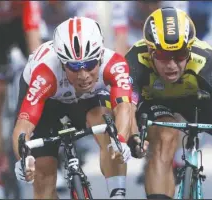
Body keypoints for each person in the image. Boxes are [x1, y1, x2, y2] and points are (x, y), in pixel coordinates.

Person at [125, 7, 212, 199]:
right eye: (162, 55)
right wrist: (134, 136)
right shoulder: (136, 58)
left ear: (190, 49)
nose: (171, 65)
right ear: (150, 50)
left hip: (196, 100)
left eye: (179, 56)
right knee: (165, 137)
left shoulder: (203, 57)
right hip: (155, 103)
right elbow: (127, 107)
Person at [12, 17, 140, 199]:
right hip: (49, 103)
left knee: (106, 122)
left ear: (100, 56)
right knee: (43, 176)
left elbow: (124, 107)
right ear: (62, 63)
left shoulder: (114, 64)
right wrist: (22, 160)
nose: (83, 75)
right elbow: (24, 124)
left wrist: (120, 140)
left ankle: (117, 194)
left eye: (89, 65)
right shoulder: (45, 73)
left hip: (89, 100)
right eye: (74, 67)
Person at [0, 1, 42, 198]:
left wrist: (36, 69)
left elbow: (34, 38)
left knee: (40, 83)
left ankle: (52, 159)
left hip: (21, 27)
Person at [111, 1, 188, 56]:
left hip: (163, 33)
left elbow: (179, 41)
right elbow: (120, 38)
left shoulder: (176, 3)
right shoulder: (120, 3)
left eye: (154, 2)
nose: (150, 7)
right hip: (132, 35)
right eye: (145, 2)